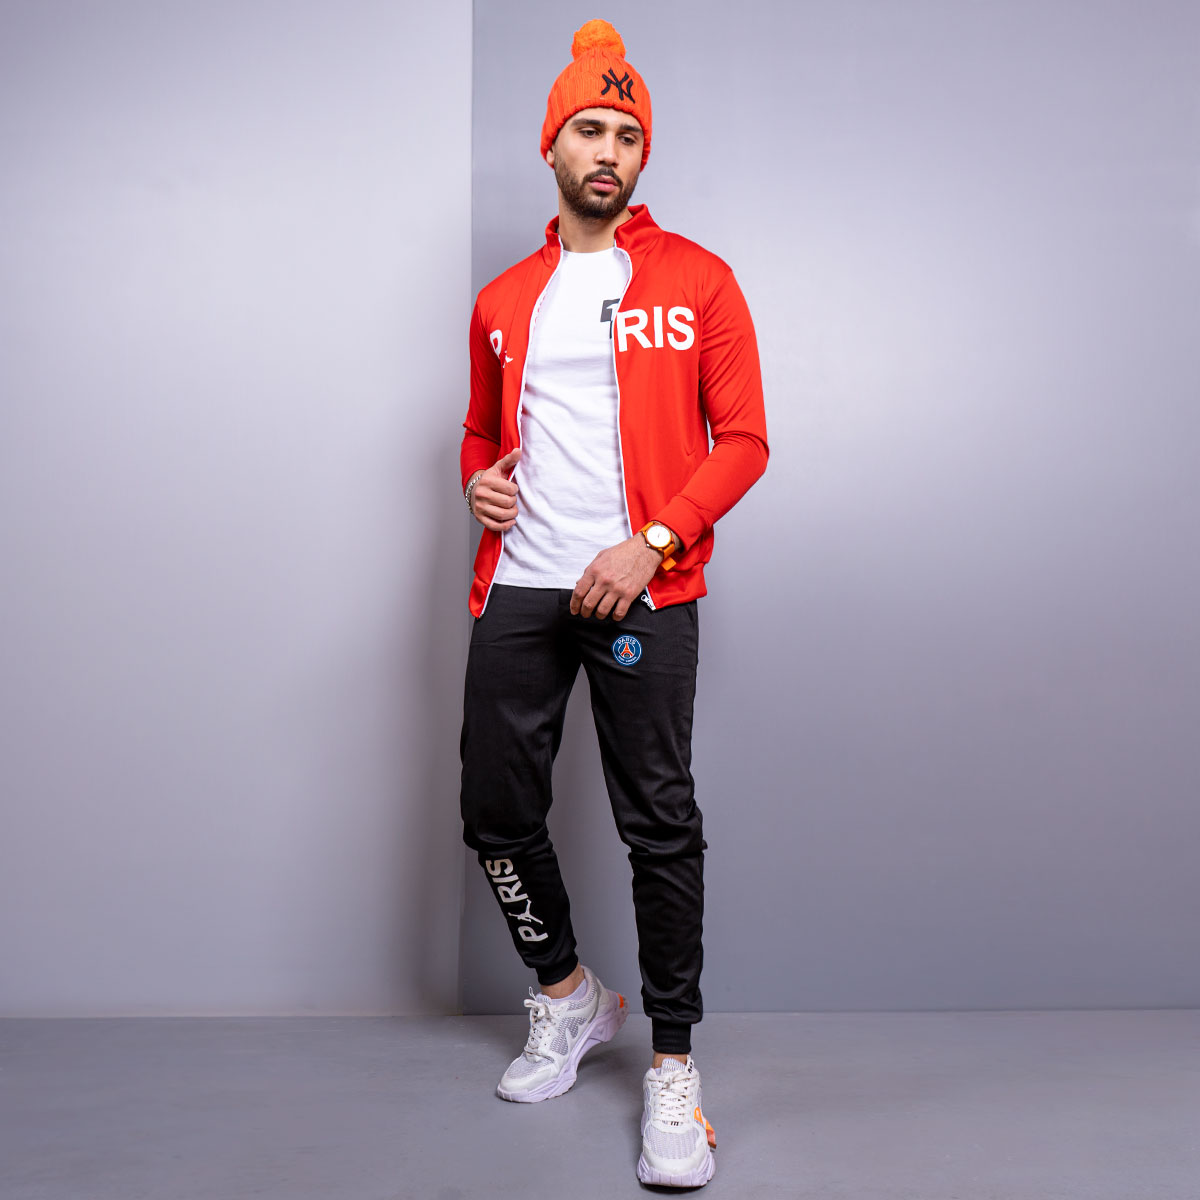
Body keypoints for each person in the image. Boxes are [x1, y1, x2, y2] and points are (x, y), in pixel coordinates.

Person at [458, 18, 767, 1188]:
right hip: (521, 583)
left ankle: (674, 1068)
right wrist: (477, 482)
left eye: (627, 135)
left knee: (659, 825)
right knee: (495, 811)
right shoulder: (504, 298)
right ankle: (569, 996)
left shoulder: (696, 280)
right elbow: (481, 433)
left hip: (644, 586)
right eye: (589, 129)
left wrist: (653, 544)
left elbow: (744, 441)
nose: (609, 151)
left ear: (642, 155)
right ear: (552, 144)